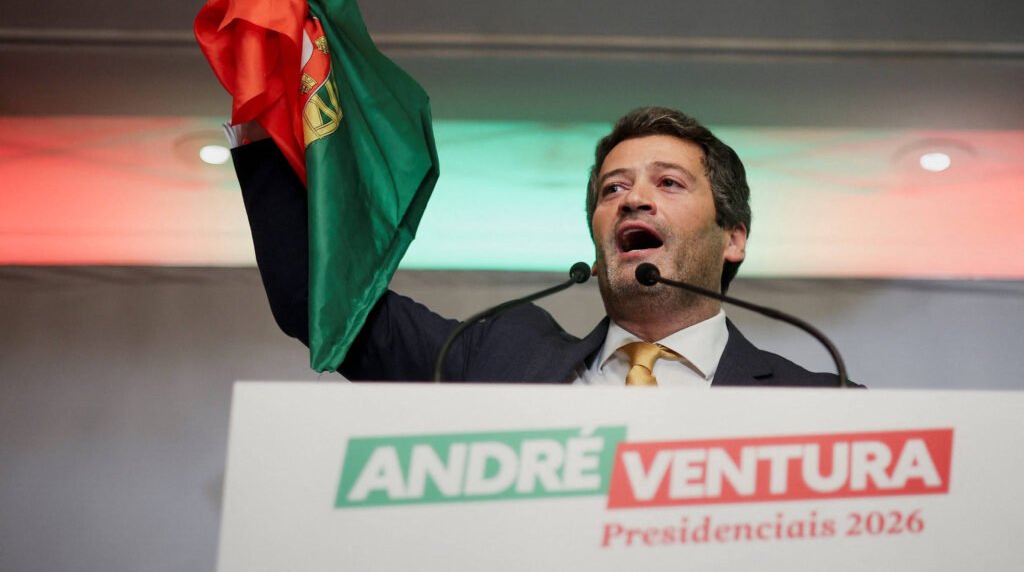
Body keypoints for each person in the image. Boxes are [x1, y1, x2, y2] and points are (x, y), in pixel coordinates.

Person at [232, 106, 847, 387]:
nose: (633, 199)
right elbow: (323, 305)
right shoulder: (496, 357)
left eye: (668, 182)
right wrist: (263, 117)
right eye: (613, 188)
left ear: (733, 237)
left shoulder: (825, 406)